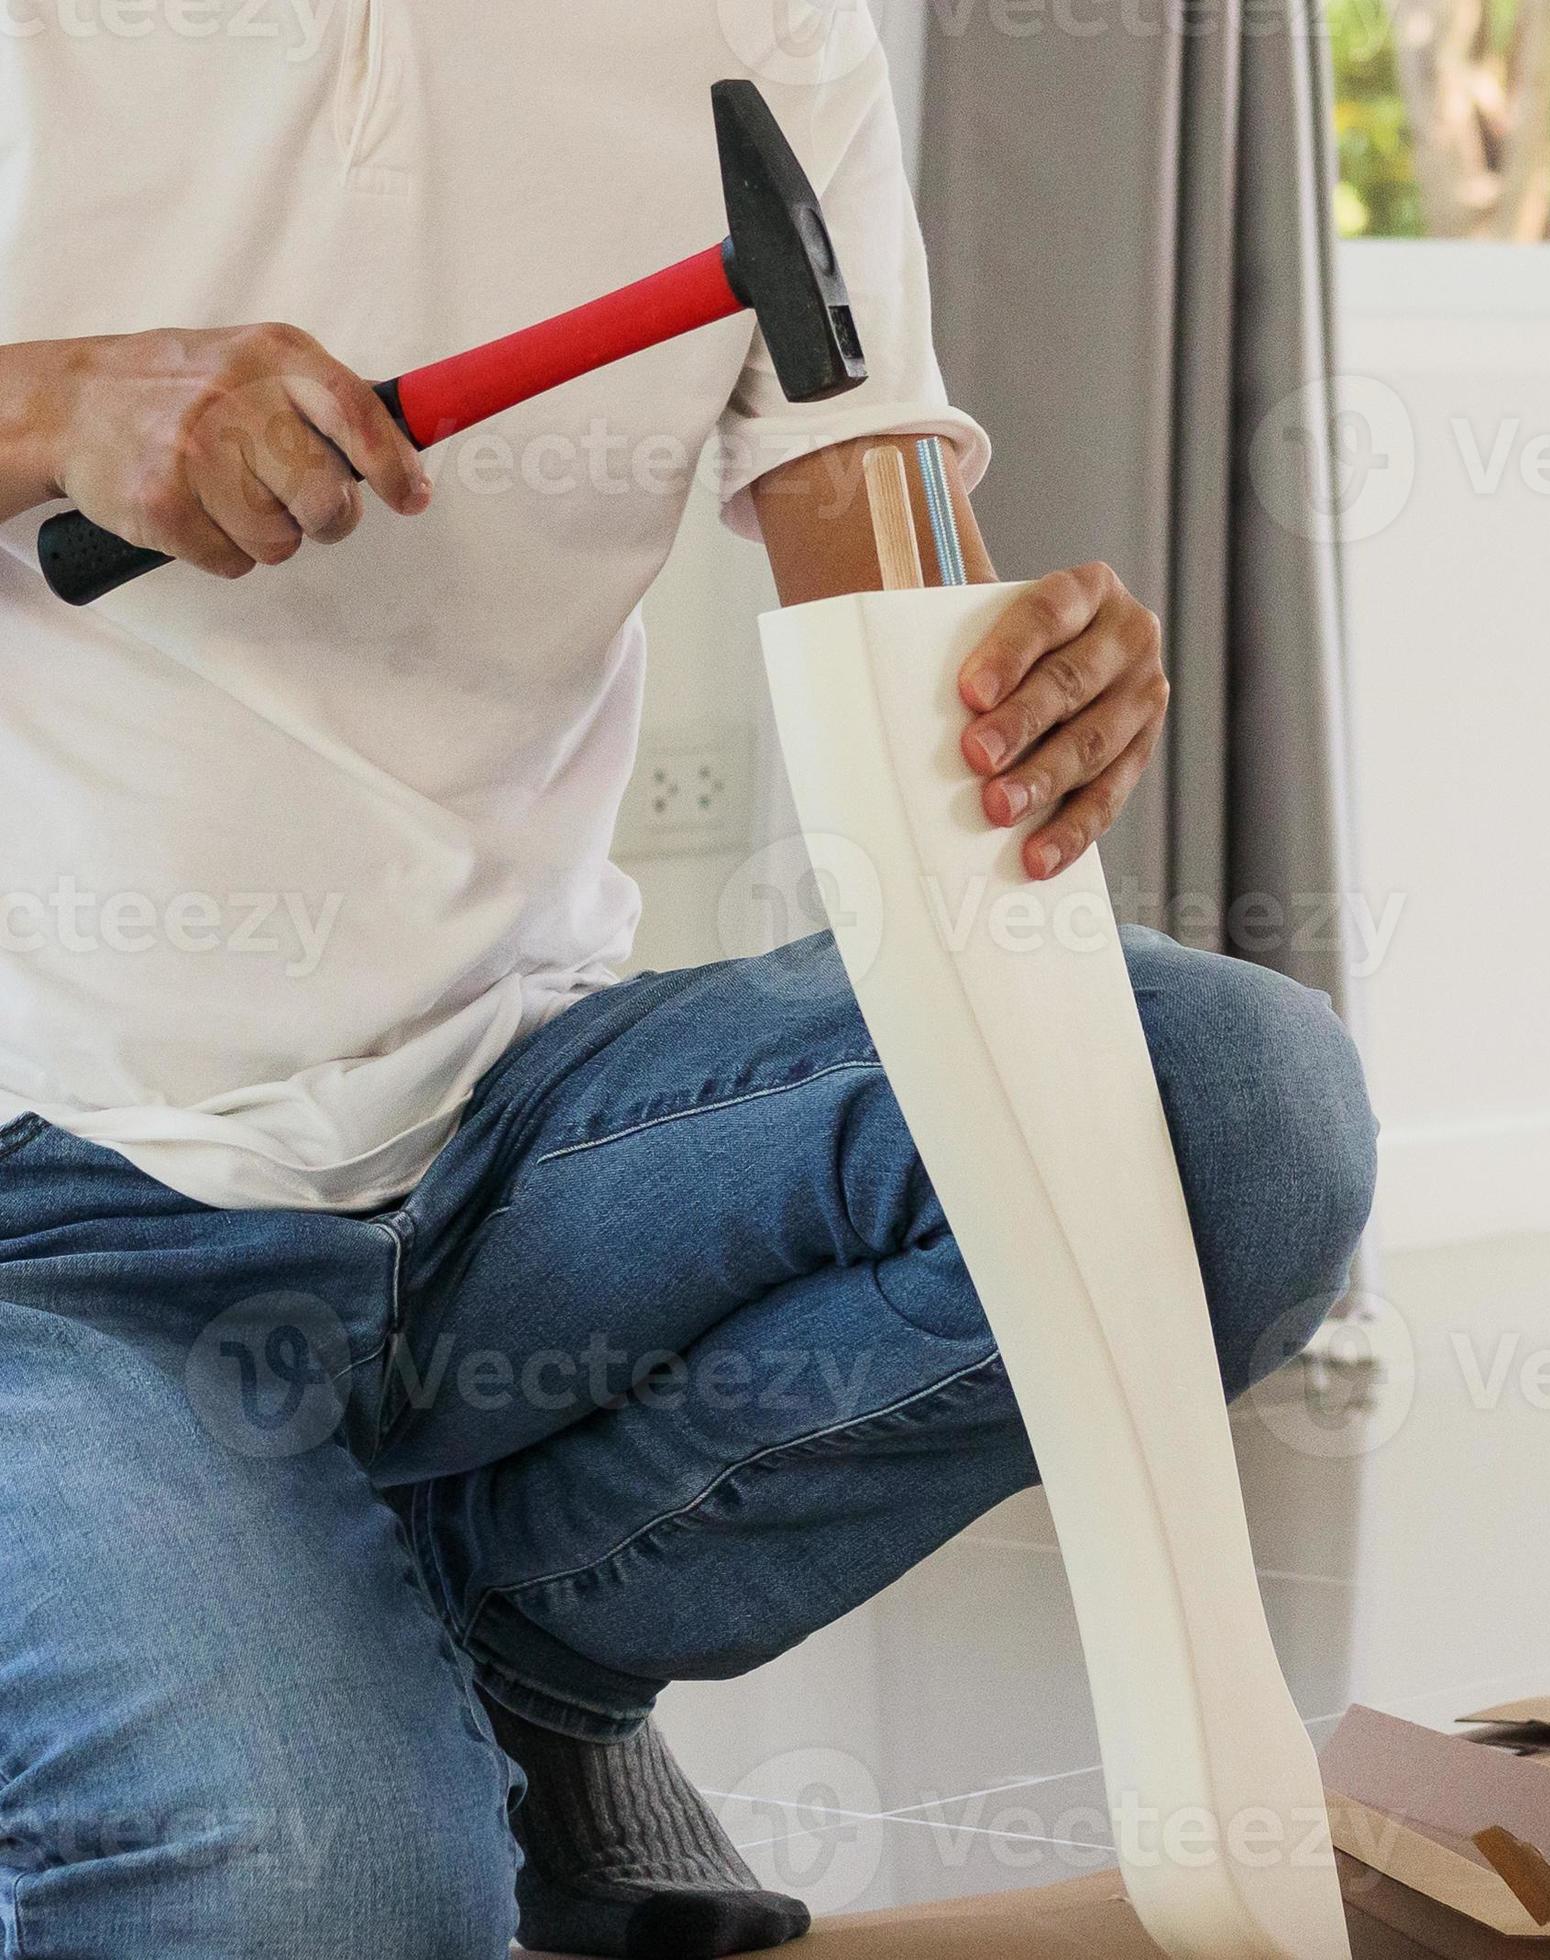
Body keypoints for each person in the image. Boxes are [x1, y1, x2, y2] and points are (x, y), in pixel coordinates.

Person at [0, 9, 1377, 1957]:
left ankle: (510, 1651)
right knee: (320, 1899)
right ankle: (226, 1644)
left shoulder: (753, 27)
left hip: (508, 1135)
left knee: (1231, 1114)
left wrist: (1029, 682)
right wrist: (61, 410)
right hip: (47, 1211)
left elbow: (895, 579)